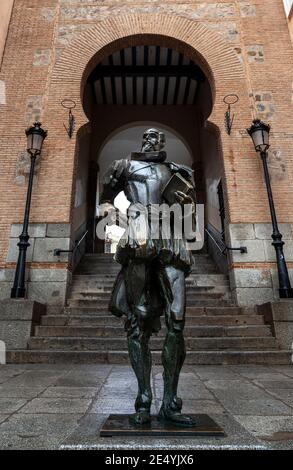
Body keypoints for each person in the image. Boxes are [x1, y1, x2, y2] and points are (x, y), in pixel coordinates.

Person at [99, 128, 197, 427]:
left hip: (171, 240)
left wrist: (183, 206)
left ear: (163, 142)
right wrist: (117, 218)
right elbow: (104, 202)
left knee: (177, 321)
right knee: (138, 322)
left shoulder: (176, 171)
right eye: (147, 135)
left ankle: (170, 403)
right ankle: (143, 399)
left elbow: (188, 209)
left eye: (156, 136)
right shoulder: (124, 166)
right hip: (139, 239)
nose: (150, 138)